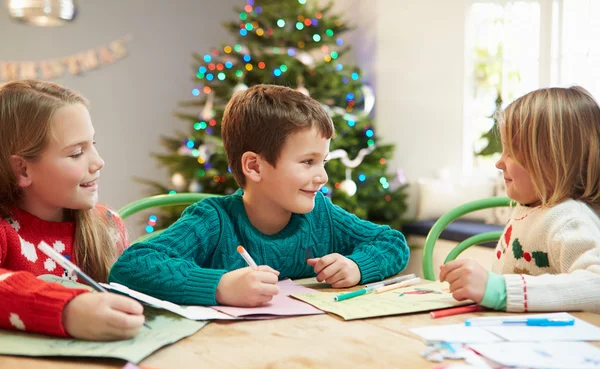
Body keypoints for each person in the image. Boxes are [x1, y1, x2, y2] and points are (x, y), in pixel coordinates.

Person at [110, 84, 409, 307]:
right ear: (254, 166)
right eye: (308, 162)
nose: (323, 177)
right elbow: (132, 265)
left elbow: (392, 243)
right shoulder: (214, 220)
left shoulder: (322, 215)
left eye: (324, 162)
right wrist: (220, 286)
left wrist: (357, 266)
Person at [0, 80, 145, 340]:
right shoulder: (4, 233)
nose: (99, 162)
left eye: (93, 144)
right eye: (77, 153)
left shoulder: (108, 224)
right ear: (22, 169)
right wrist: (67, 310)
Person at [440, 86, 600, 313]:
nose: (499, 162)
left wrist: (501, 291)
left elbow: (596, 286)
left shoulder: (568, 218)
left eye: (511, 152)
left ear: (552, 160)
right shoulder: (528, 208)